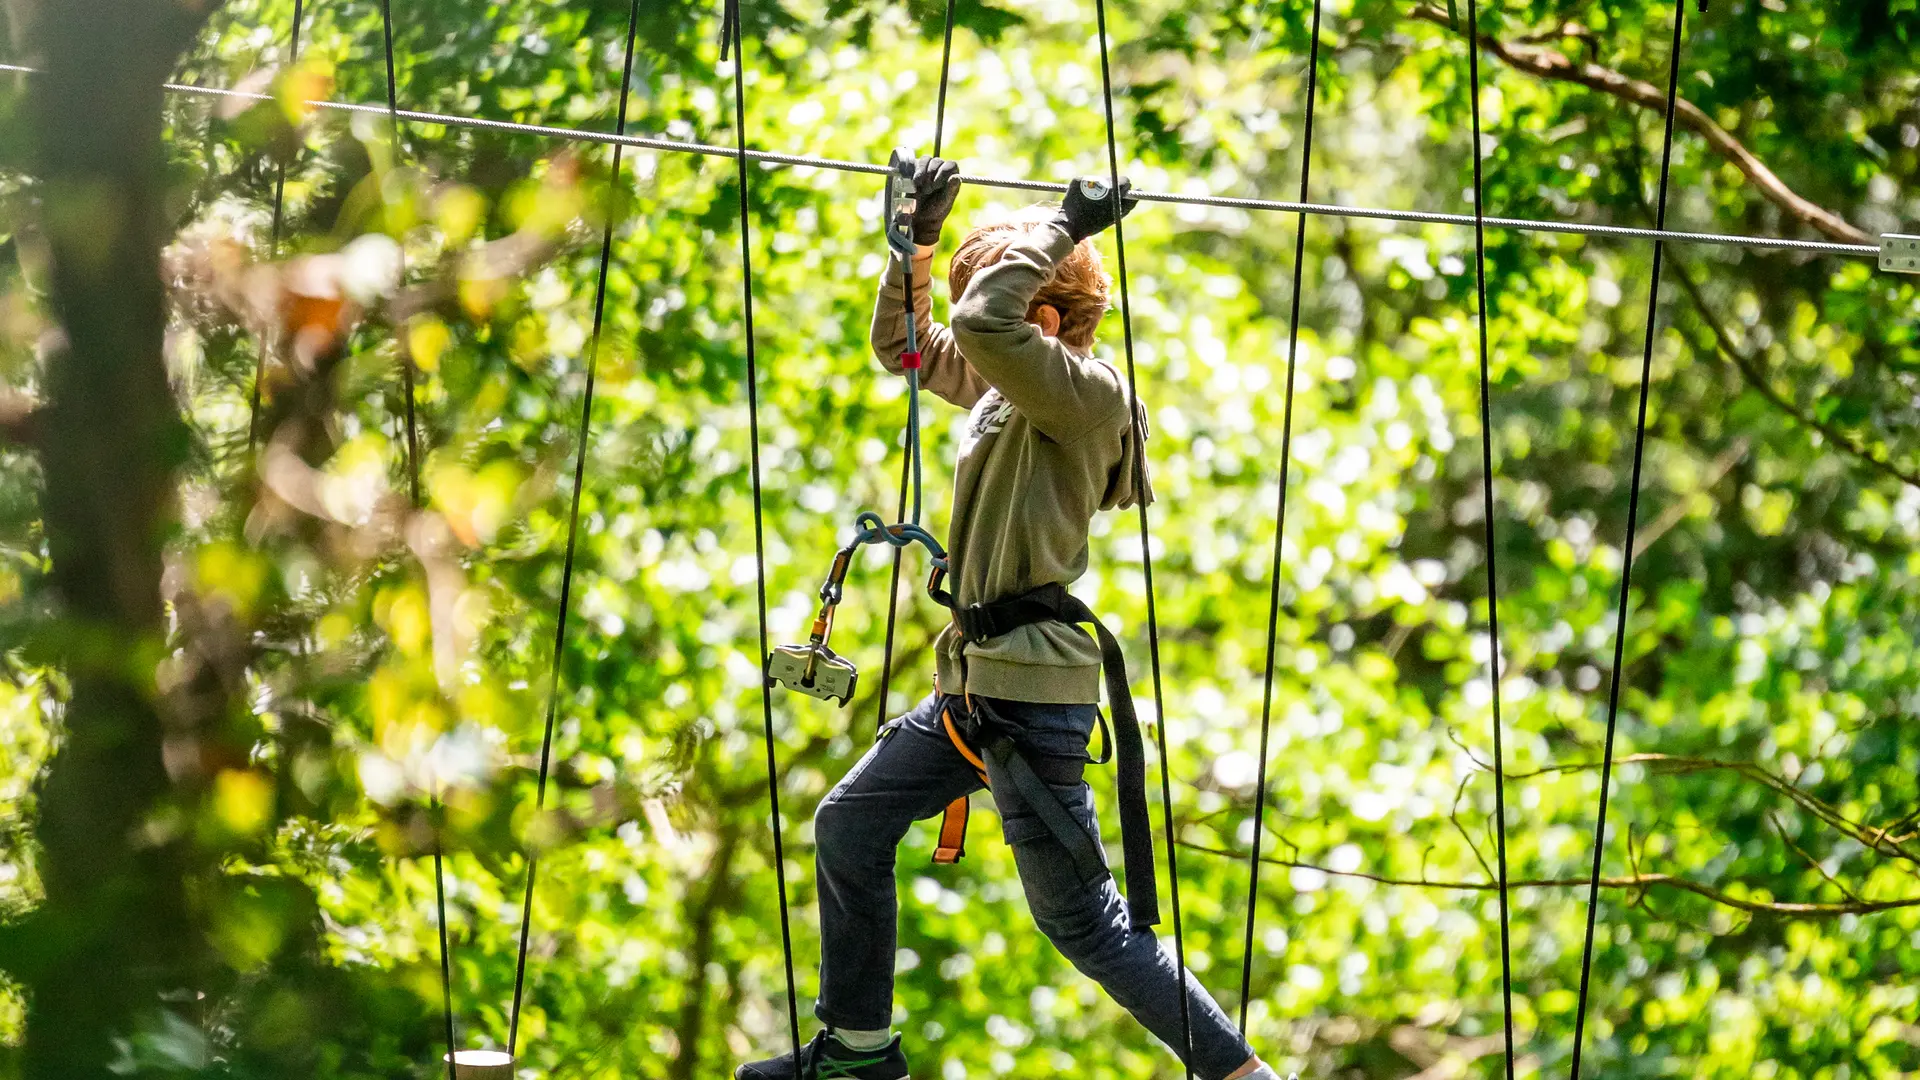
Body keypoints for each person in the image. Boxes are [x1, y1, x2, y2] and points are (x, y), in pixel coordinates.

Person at [736, 158, 1285, 1080]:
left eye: (990, 300)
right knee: (850, 827)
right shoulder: (1015, 391)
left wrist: (1065, 228)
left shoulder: (1084, 397)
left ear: (1043, 321)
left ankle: (1241, 1075)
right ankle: (859, 1053)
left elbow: (979, 324)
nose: (973, 319)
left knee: (1086, 927)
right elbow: (907, 347)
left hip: (1029, 700)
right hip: (975, 687)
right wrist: (915, 248)